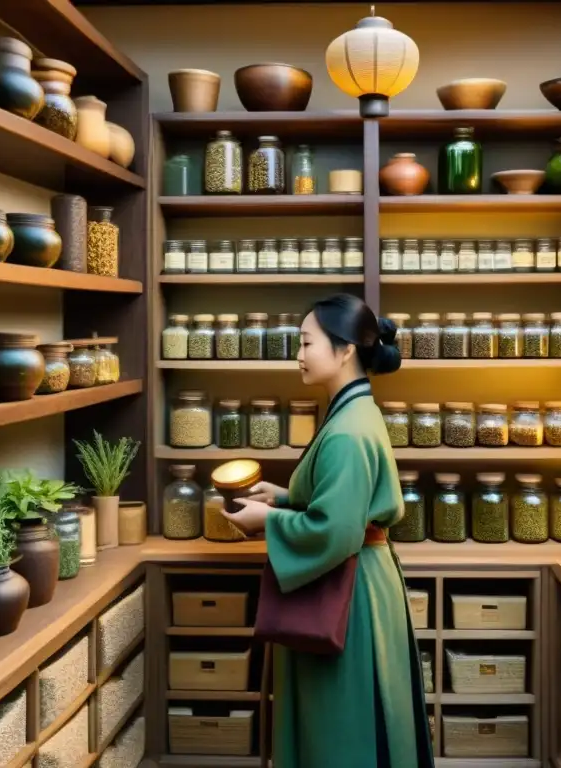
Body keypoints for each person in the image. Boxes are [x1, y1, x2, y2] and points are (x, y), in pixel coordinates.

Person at [222, 294, 434, 768]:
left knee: (343, 724)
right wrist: (284, 498)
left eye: (306, 343)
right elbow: (342, 503)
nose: (298, 355)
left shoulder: (347, 431)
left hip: (350, 594)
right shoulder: (353, 410)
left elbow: (335, 529)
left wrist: (267, 521)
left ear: (345, 350)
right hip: (359, 580)